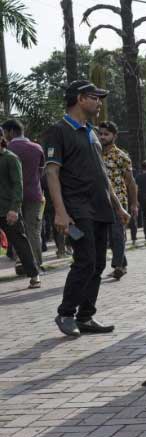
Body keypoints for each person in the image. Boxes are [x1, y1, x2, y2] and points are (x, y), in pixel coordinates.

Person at [45, 80, 131, 337]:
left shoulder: (91, 132)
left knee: (98, 264)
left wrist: (118, 206)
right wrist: (60, 212)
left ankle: (85, 317)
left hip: (101, 208)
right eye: (95, 97)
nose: (99, 102)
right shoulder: (58, 131)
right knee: (85, 261)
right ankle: (66, 313)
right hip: (77, 208)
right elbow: (51, 172)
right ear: (80, 99)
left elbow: (102, 173)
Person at [2, 120, 46, 270]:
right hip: (35, 194)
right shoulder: (37, 148)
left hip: (12, 198)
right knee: (33, 231)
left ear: (11, 132)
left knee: (17, 233)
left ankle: (22, 263)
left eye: (4, 131)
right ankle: (37, 265)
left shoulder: (7, 149)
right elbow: (41, 172)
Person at [98, 121, 138, 280]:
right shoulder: (95, 153)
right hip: (100, 201)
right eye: (100, 134)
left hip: (119, 201)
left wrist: (134, 203)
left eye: (106, 134)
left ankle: (118, 266)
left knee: (117, 233)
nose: (102, 137)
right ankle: (123, 263)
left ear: (114, 136)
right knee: (111, 236)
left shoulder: (121, 156)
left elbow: (131, 182)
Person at [0, 138, 40, 289]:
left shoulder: (10, 158)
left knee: (20, 242)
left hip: (7, 209)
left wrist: (14, 209)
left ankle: (34, 275)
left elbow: (18, 184)